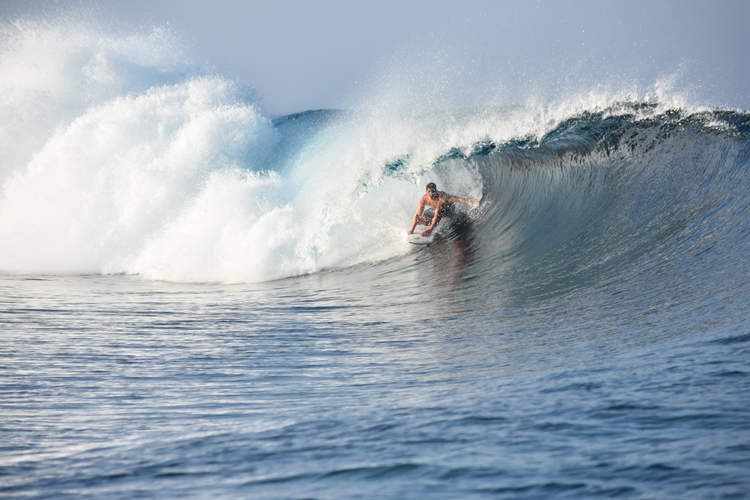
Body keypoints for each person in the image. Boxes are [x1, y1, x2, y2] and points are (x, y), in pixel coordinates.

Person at [407, 182, 481, 237]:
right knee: (420, 219)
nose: (432, 194)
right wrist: (412, 229)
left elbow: (458, 199)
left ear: (436, 190)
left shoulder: (442, 196)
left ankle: (431, 228)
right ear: (426, 192)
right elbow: (418, 214)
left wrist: (473, 203)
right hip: (434, 210)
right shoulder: (423, 200)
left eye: (433, 191)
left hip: (448, 210)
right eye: (429, 192)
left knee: (439, 207)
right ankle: (430, 223)